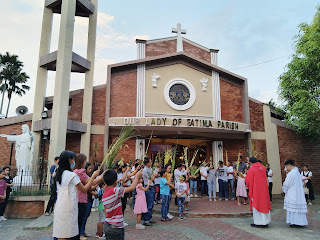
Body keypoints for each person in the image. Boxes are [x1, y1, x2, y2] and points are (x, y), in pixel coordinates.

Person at [52, 150, 100, 240]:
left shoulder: (59, 173)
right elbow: (84, 189)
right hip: (68, 208)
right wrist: (93, 176)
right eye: (73, 160)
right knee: (67, 234)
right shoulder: (71, 175)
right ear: (69, 161)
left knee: (61, 234)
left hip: (60, 207)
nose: (74, 162)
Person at [102, 168, 142, 240]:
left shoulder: (104, 193)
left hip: (107, 224)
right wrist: (137, 177)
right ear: (116, 181)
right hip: (116, 227)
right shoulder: (115, 190)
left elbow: (105, 211)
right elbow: (131, 188)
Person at [245, 157, 271, 228]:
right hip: (263, 190)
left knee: (257, 205)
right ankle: (266, 221)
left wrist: (244, 178)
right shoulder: (262, 167)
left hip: (256, 190)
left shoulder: (252, 169)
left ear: (250, 163)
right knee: (264, 204)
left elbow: (248, 180)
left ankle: (259, 222)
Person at [283, 160, 308, 227]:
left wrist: (284, 189)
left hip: (292, 193)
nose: (286, 168)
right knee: (297, 208)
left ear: (289, 165)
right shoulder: (297, 172)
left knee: (294, 208)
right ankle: (297, 222)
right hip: (298, 193)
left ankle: (296, 222)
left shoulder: (291, 174)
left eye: (286, 166)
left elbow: (287, 184)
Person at [141, 158, 157, 226]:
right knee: (148, 204)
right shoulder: (145, 170)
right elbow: (151, 177)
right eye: (150, 162)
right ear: (147, 163)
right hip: (148, 187)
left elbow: (154, 175)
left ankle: (149, 218)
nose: (151, 163)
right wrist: (153, 176)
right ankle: (146, 219)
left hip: (151, 186)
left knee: (151, 204)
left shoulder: (150, 169)